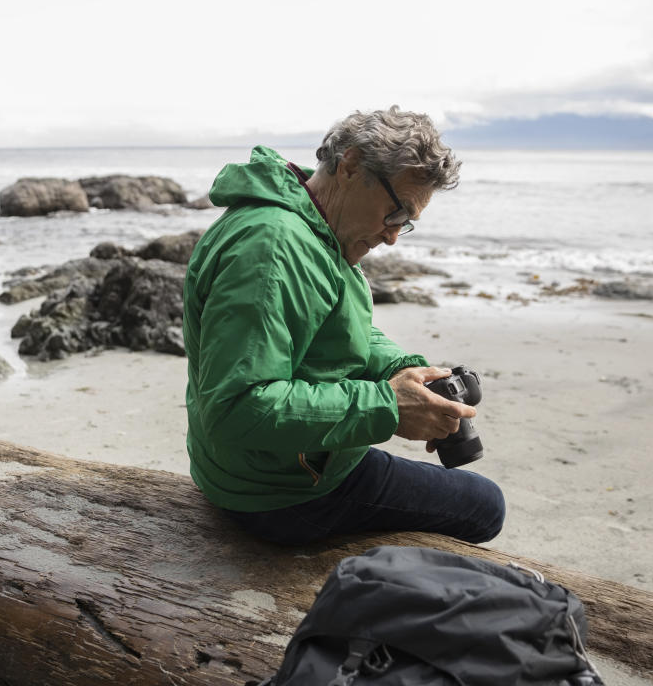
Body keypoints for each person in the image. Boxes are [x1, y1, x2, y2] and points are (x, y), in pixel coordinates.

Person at [183, 106, 505, 545]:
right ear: (351, 165)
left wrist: (406, 370)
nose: (393, 235)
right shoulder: (274, 247)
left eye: (405, 224)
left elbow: (332, 327)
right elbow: (238, 407)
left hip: (267, 468)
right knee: (486, 506)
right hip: (277, 495)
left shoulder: (314, 225)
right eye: (396, 214)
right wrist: (388, 408)